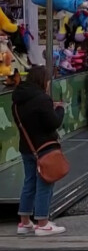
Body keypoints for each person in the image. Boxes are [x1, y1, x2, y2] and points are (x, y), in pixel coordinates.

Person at [13, 66, 66, 236]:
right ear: (43, 81)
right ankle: (42, 223)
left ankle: (24, 222)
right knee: (45, 183)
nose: (49, 84)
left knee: (29, 183)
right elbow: (53, 123)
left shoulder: (17, 100)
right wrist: (60, 109)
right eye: (48, 81)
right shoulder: (42, 99)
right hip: (44, 147)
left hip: (26, 147)